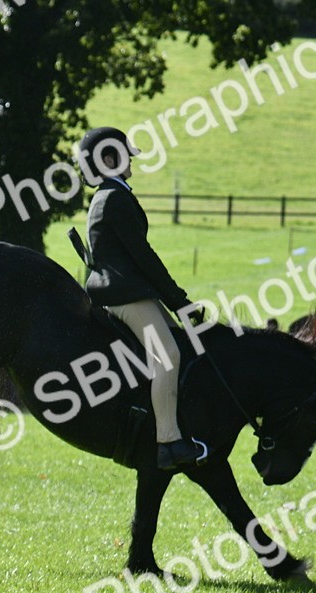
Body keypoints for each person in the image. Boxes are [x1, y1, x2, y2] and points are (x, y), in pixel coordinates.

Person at [81, 126, 208, 470]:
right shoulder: (116, 197)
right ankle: (167, 442)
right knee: (167, 356)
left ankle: (181, 426)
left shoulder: (106, 196)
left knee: (183, 347)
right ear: (109, 159)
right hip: (126, 296)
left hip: (127, 292)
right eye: (124, 156)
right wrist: (180, 301)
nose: (131, 162)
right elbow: (143, 257)